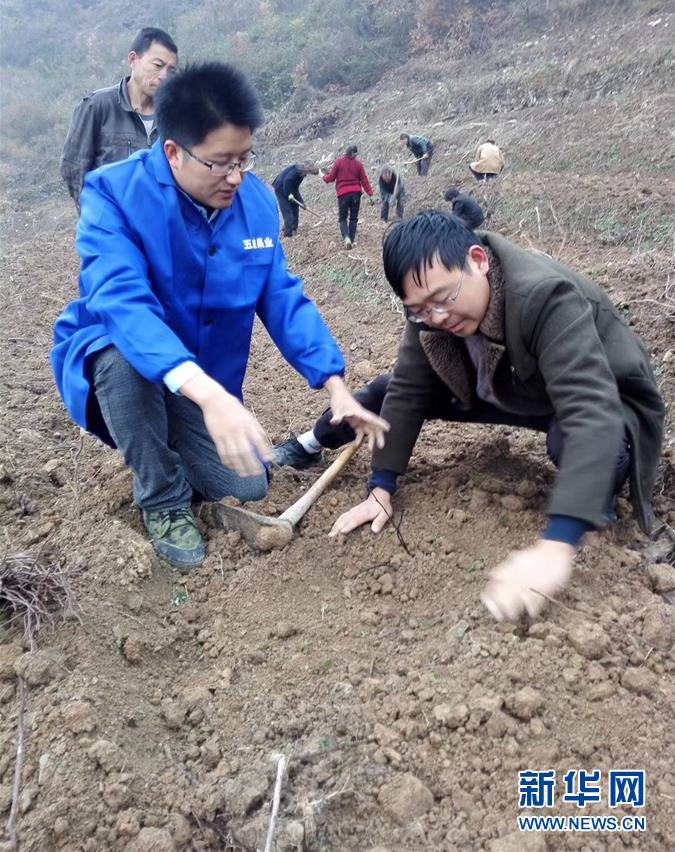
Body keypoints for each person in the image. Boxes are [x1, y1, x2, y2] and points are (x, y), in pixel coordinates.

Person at [51, 63, 389, 572]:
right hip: (128, 360)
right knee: (118, 355)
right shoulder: (114, 195)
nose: (236, 176)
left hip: (201, 384)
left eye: (244, 159)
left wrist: (336, 386)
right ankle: (162, 498)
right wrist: (210, 398)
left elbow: (281, 296)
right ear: (173, 152)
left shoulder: (254, 203)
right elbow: (123, 303)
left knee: (248, 484)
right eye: (220, 163)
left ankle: (165, 445)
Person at [273, 211, 664, 622]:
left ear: (477, 261)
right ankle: (306, 445)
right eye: (419, 309)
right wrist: (381, 487)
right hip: (503, 384)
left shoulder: (544, 296)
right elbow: (408, 390)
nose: (437, 317)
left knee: (584, 442)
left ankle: (593, 499)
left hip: (600, 396)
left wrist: (557, 543)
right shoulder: (429, 310)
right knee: (382, 393)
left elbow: (590, 408)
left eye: (443, 299)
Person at [61, 27, 179, 209]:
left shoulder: (176, 114)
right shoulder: (97, 106)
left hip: (160, 223)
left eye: (170, 70)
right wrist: (96, 215)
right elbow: (74, 168)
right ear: (133, 60)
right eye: (157, 65)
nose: (164, 76)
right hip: (109, 221)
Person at [322, 145, 374, 249]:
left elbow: (331, 178)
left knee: (342, 218)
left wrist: (323, 177)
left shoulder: (338, 162)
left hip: (343, 194)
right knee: (353, 218)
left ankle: (346, 238)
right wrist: (370, 194)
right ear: (355, 153)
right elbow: (364, 179)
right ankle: (352, 238)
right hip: (356, 194)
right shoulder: (358, 164)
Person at [271, 161, 319, 237]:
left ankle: (293, 228)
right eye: (309, 169)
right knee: (287, 210)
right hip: (280, 187)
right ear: (305, 166)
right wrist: (289, 195)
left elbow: (295, 188)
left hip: (288, 188)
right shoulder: (296, 172)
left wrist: (301, 202)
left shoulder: (302, 174)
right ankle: (288, 233)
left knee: (295, 207)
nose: (309, 172)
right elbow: (287, 181)